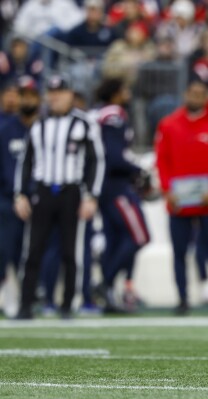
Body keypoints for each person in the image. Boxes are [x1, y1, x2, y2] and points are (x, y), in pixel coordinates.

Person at [13, 74, 104, 319]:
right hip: (43, 191)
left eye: (60, 92)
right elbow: (26, 161)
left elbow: (97, 160)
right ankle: (25, 305)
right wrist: (20, 193)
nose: (55, 97)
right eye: (51, 93)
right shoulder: (38, 124)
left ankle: (66, 305)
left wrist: (91, 195)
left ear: (70, 95)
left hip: (71, 191)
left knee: (70, 252)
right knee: (32, 251)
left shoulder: (84, 123)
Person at [155, 79, 208, 316]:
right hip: (179, 202)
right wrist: (167, 190)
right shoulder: (168, 125)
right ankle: (182, 300)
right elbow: (162, 160)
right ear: (185, 94)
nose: (196, 97)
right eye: (193, 92)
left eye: (201, 93)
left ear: (207, 97)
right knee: (180, 252)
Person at [95, 77, 150, 313]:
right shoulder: (113, 114)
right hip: (115, 187)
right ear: (115, 92)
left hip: (104, 187)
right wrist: (138, 170)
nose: (127, 93)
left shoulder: (100, 114)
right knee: (139, 236)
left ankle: (107, 293)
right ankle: (105, 282)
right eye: (124, 88)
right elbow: (114, 157)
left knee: (115, 240)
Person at [0, 76, 40, 303]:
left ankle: (30, 294)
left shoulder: (43, 128)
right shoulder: (6, 129)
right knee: (5, 248)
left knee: (31, 251)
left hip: (38, 198)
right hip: (7, 199)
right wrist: (16, 194)